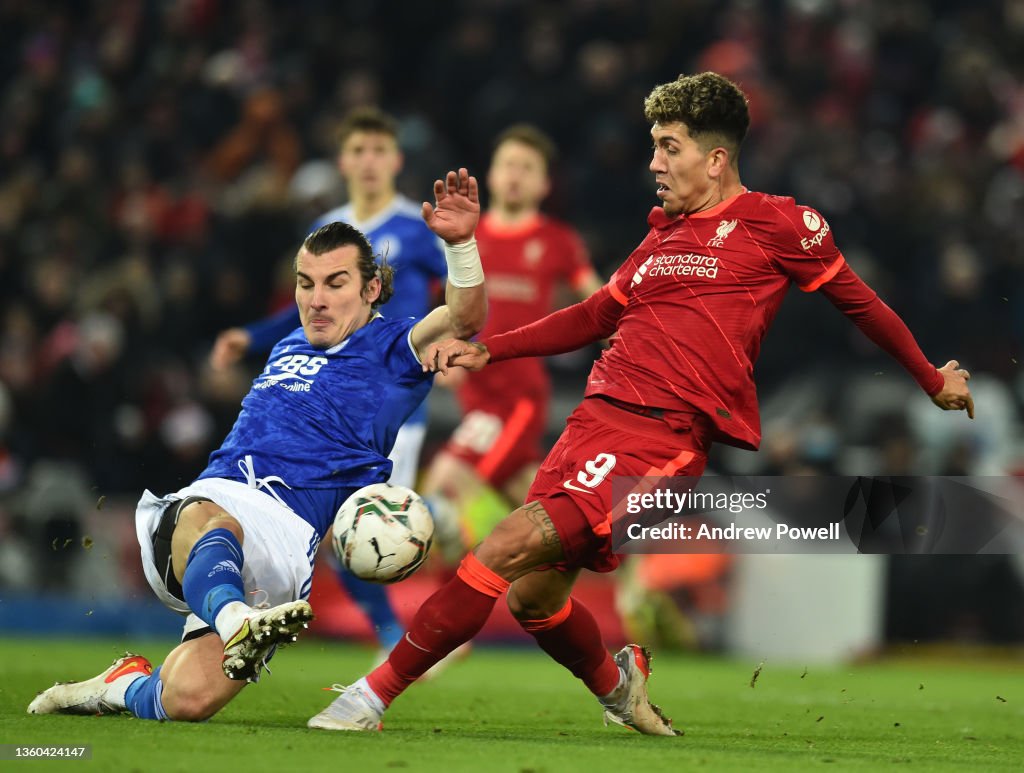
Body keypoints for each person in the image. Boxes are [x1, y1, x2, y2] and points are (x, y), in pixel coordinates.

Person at [306, 72, 974, 735]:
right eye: (653, 144)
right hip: (591, 424)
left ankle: (371, 697)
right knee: (536, 600)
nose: (654, 161)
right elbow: (595, 313)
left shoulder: (778, 224)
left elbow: (860, 301)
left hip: (662, 441)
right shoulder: (660, 239)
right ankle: (620, 688)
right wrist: (492, 349)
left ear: (715, 159)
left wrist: (929, 377)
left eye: (669, 145)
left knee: (503, 543)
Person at [27, 168, 487, 723]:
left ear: (371, 289)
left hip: (290, 549)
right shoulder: (290, 342)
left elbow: (464, 317)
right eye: (305, 282)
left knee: (187, 700)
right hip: (218, 500)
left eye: (335, 283)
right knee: (217, 522)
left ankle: (120, 686)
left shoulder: (394, 348)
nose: (315, 300)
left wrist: (461, 246)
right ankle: (233, 619)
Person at [211, 107, 446, 658]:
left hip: (387, 391)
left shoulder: (418, 225)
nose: (368, 162)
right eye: (358, 151)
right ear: (342, 160)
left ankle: (405, 637)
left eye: (378, 151)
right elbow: (305, 312)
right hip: (324, 394)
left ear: (396, 159)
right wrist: (251, 335)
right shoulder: (329, 230)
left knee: (365, 532)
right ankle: (399, 636)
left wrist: (464, 344)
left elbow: (460, 295)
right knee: (349, 536)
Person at [423, 124, 602, 556]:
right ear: (492, 174)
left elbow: (600, 302)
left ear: (544, 184)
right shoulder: (466, 236)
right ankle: (579, 567)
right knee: (538, 507)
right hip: (474, 392)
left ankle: (459, 588)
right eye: (508, 164)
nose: (515, 174)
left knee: (445, 485)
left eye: (527, 167)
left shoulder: (556, 241)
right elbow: (435, 307)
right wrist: (432, 348)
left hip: (516, 397)